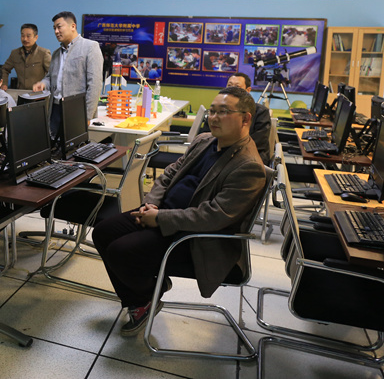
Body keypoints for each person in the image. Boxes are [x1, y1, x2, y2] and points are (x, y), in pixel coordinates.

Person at [92, 86, 267, 335]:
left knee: (121, 251)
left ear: (246, 119)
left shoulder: (248, 166)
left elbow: (213, 216)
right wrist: (152, 203)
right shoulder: (205, 140)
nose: (213, 117)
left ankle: (144, 297)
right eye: (212, 111)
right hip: (162, 214)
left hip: (194, 238)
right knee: (102, 231)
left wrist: (160, 218)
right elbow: (170, 173)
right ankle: (143, 298)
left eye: (223, 112)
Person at [33, 11, 103, 137]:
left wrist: (86, 115)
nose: (56, 31)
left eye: (59, 27)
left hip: (76, 111)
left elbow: (95, 84)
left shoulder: (90, 47)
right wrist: (43, 83)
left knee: (74, 146)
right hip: (55, 109)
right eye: (54, 28)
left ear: (73, 26)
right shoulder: (56, 53)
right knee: (53, 144)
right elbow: (50, 77)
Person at [199, 72, 271, 164]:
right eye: (229, 86)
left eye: (237, 87)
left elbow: (259, 142)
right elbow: (205, 136)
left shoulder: (260, 112)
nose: (232, 89)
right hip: (216, 152)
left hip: (243, 158)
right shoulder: (217, 109)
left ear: (248, 90)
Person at [0, 23, 52, 90]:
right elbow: (4, 69)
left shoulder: (44, 53)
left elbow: (52, 74)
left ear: (36, 37)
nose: (25, 39)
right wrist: (4, 84)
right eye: (22, 36)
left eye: (28, 36)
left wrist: (44, 85)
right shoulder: (15, 53)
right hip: (21, 92)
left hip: (38, 92)